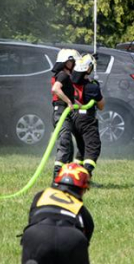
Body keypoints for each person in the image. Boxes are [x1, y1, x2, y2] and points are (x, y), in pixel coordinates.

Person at [20, 163, 94, 264]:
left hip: (36, 234)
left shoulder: (41, 195)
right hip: (72, 237)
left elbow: (33, 219)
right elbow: (87, 234)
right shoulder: (80, 208)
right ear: (82, 188)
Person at [70, 54, 104, 177]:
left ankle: (76, 174)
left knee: (82, 147)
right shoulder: (92, 87)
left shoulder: (69, 83)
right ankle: (85, 176)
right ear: (88, 69)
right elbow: (101, 106)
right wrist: (98, 89)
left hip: (73, 119)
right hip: (87, 120)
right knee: (93, 147)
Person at [51, 48, 80, 180]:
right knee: (64, 143)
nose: (73, 64)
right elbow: (55, 89)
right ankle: (57, 177)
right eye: (71, 61)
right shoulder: (62, 74)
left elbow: (68, 94)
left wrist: (76, 102)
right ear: (65, 62)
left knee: (69, 145)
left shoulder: (66, 75)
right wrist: (69, 102)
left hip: (65, 111)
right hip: (61, 111)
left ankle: (67, 176)